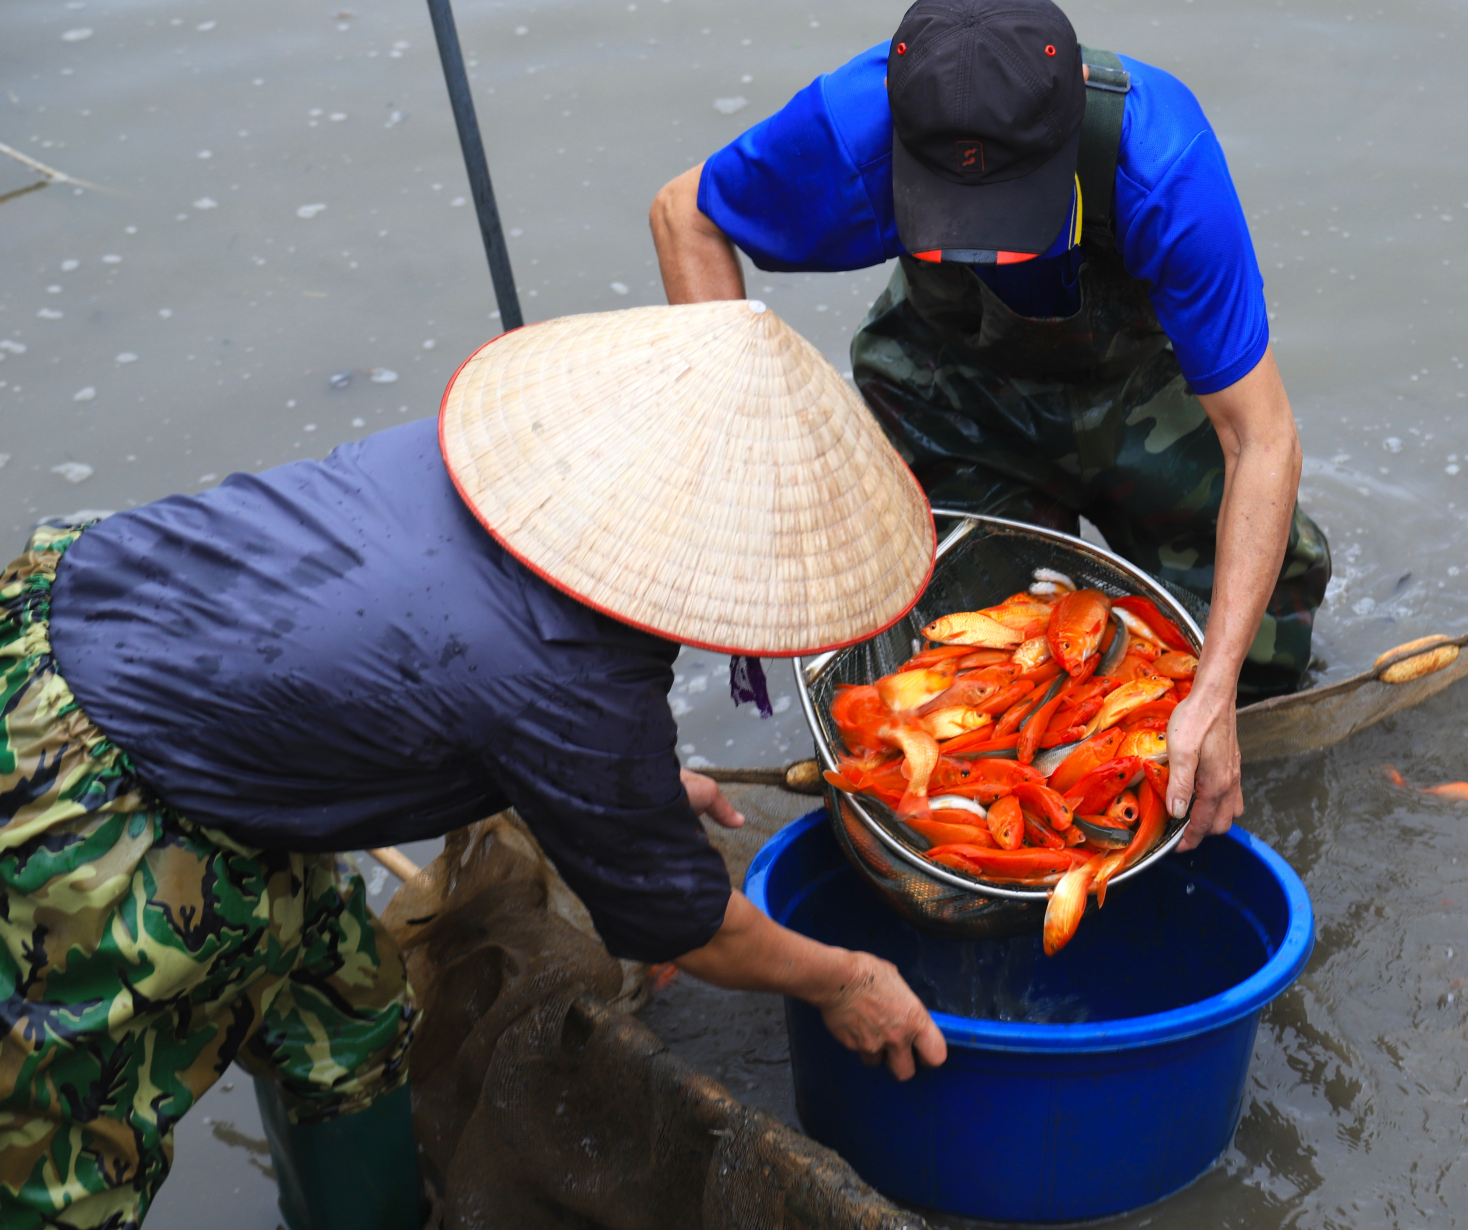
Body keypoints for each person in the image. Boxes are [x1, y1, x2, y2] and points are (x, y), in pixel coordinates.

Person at [0, 302, 945, 1229]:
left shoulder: (480, 469)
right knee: (71, 1161)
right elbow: (697, 929)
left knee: (348, 1018)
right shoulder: (573, 684)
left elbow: (463, 677)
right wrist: (843, 980)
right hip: (85, 792)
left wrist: (631, 796)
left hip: (133, 627)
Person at [650, 0, 1332, 850]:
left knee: (1260, 645)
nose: (983, 242)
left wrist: (1215, 689)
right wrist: (741, 450)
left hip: (1138, 398)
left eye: (1007, 217)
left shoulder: (1161, 161)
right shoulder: (847, 129)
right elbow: (685, 216)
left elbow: (1261, 437)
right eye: (953, 218)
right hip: (952, 398)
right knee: (979, 684)